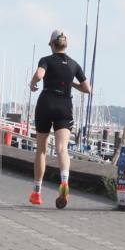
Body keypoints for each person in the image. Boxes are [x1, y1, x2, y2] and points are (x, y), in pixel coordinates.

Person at [28, 29, 91, 208]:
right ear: (66, 45)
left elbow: (40, 75)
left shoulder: (46, 60)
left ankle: (37, 193)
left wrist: (33, 83)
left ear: (52, 45)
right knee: (62, 148)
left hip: (46, 102)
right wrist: (71, 82)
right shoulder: (74, 64)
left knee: (41, 149)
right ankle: (64, 181)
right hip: (65, 105)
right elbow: (87, 88)